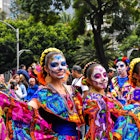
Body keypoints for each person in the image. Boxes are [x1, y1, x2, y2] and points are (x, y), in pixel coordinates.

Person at [0, 47, 84, 139]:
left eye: (63, 64)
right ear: (46, 69)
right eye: (55, 64)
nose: (60, 68)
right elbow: (24, 112)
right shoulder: (43, 93)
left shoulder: (73, 90)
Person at [82, 61, 123, 140]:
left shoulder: (107, 95)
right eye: (97, 76)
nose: (103, 78)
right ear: (88, 81)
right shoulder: (92, 100)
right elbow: (99, 129)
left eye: (104, 75)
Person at [112, 58, 140, 139]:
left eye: (121, 66)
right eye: (117, 66)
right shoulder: (133, 91)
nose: (119, 68)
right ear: (135, 75)